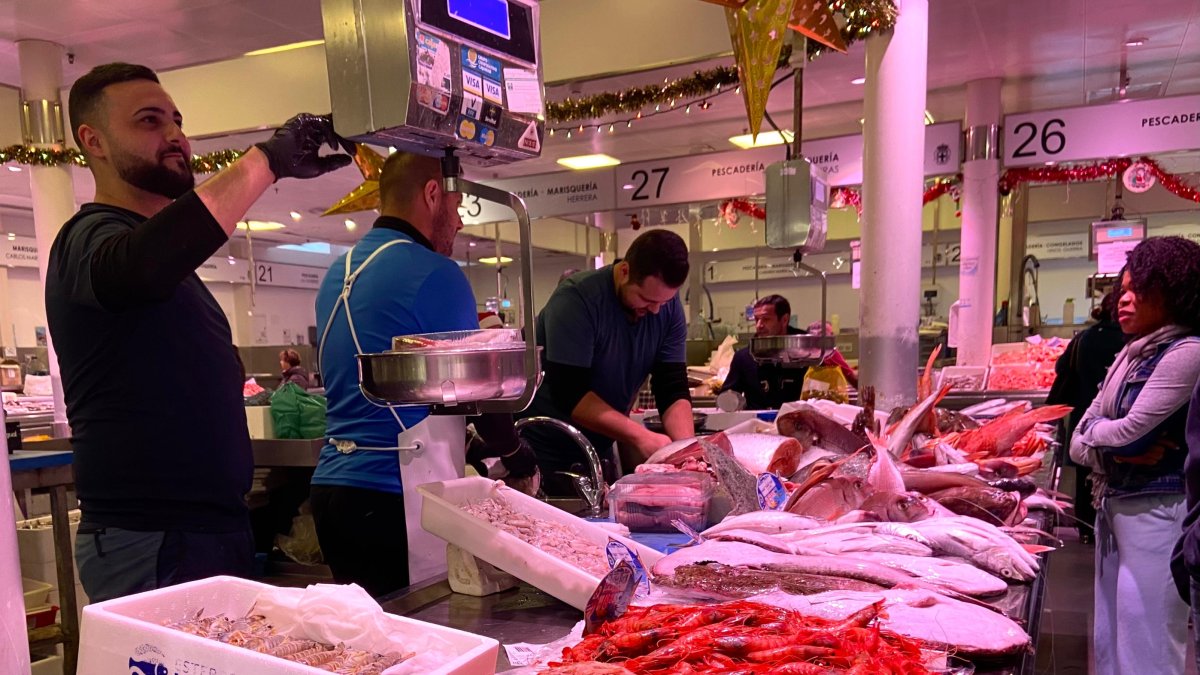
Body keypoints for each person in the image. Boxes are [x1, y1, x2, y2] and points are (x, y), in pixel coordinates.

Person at [45, 62, 352, 603]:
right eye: (149, 121)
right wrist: (268, 160)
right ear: (92, 141)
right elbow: (143, 264)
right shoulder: (88, 239)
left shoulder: (164, 259)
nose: (175, 136)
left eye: (177, 121)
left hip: (205, 533)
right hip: (151, 539)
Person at [310, 151, 537, 596]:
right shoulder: (436, 273)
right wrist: (517, 455)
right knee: (417, 647)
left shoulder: (337, 270)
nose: (459, 222)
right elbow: (481, 394)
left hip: (331, 489)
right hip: (395, 496)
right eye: (456, 208)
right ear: (433, 194)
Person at [1068, 236, 1200, 675]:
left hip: (1159, 514)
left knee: (1148, 646)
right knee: (1110, 643)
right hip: (1116, 508)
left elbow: (1126, 435)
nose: (1124, 299)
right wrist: (1109, 450)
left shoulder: (1186, 353)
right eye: (1121, 289)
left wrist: (1102, 441)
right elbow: (1077, 441)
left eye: (1138, 289)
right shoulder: (1130, 353)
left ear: (1174, 291)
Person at [519, 229, 694, 496]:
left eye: (665, 301)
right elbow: (571, 394)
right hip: (545, 448)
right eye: (647, 299)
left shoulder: (666, 307)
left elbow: (671, 386)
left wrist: (687, 452)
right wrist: (641, 436)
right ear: (624, 271)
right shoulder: (576, 300)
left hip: (598, 449)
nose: (656, 310)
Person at [1046, 288, 1125, 543]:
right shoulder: (1130, 343)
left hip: (1085, 412)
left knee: (1085, 471)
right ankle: (1112, 526)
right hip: (1120, 418)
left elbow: (1061, 367)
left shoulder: (1086, 338)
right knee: (1116, 467)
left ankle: (1086, 526)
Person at [719, 295, 805, 410]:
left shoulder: (807, 354)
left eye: (766, 319)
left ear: (784, 320)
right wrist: (731, 401)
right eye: (756, 319)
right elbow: (728, 395)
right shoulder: (744, 357)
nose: (759, 325)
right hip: (756, 424)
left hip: (798, 421)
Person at [807, 320, 858, 388]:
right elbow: (851, 376)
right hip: (826, 395)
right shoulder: (830, 352)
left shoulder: (804, 352)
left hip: (808, 393)